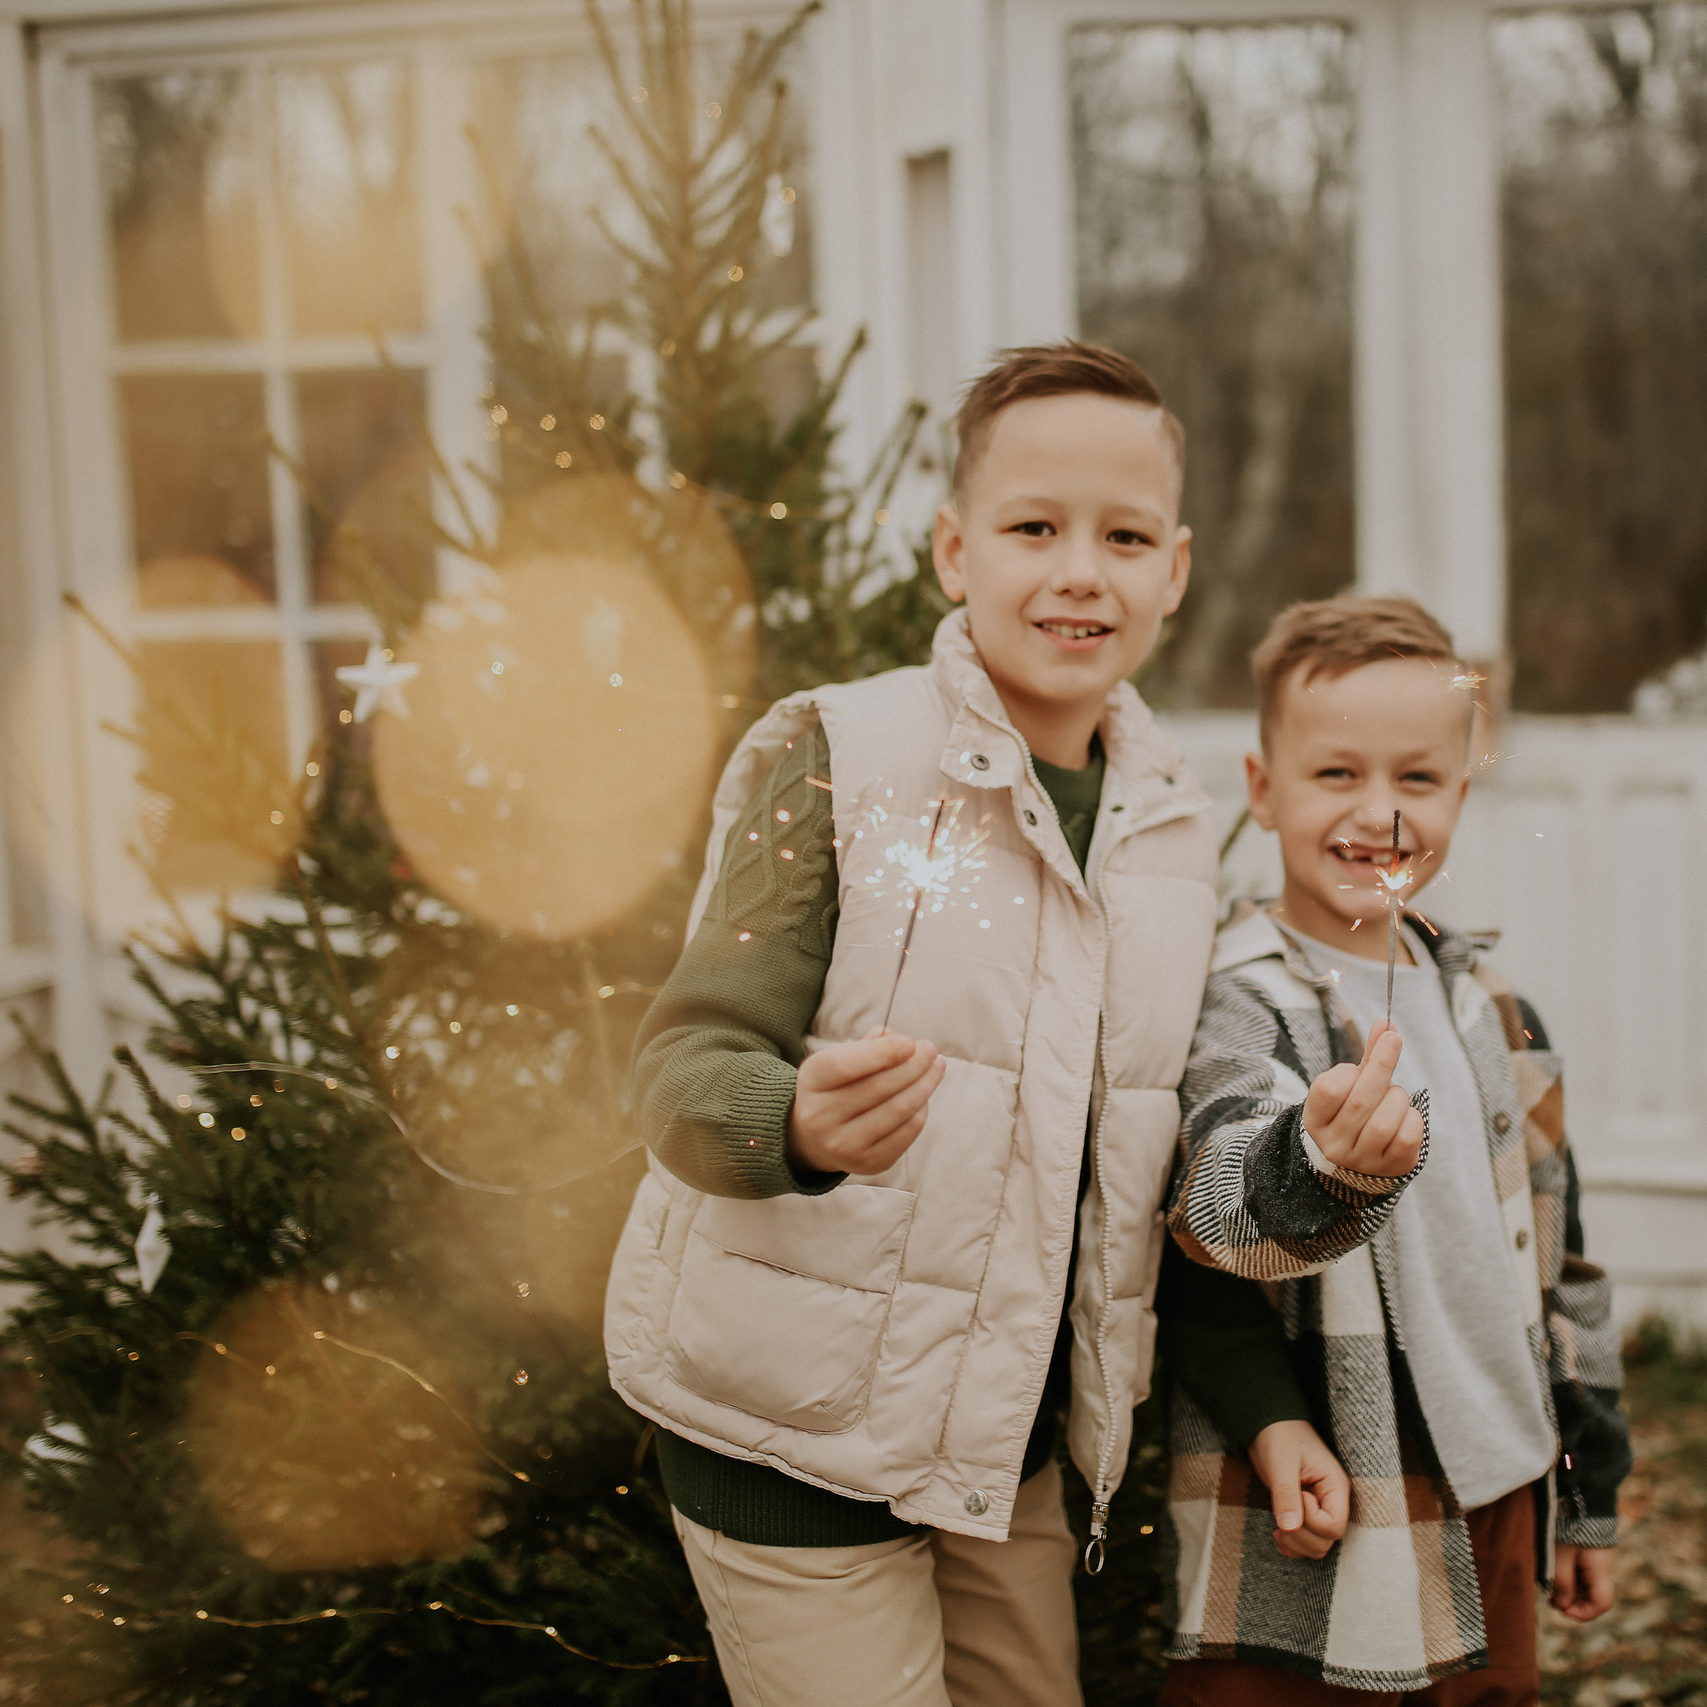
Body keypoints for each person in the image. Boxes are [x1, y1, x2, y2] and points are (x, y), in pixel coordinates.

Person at [602, 342, 1414, 1707]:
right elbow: (678, 1067)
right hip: (789, 1439)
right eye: (1034, 527)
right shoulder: (842, 762)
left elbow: (1147, 1184)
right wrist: (788, 1118)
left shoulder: (1169, 834)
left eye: (1124, 536)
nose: (1080, 570)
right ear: (953, 551)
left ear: (1176, 569)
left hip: (1001, 1450)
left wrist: (1281, 1346)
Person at [1154, 594, 1632, 1705]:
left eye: (1418, 777)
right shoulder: (1239, 1001)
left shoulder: (1498, 1011)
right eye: (1336, 773)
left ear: (1460, 792)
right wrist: (1315, 1166)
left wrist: (1586, 1492)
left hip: (1501, 1481)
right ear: (1263, 788)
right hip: (1320, 1498)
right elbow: (1209, 1220)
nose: (1380, 811)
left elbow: (1563, 1266)